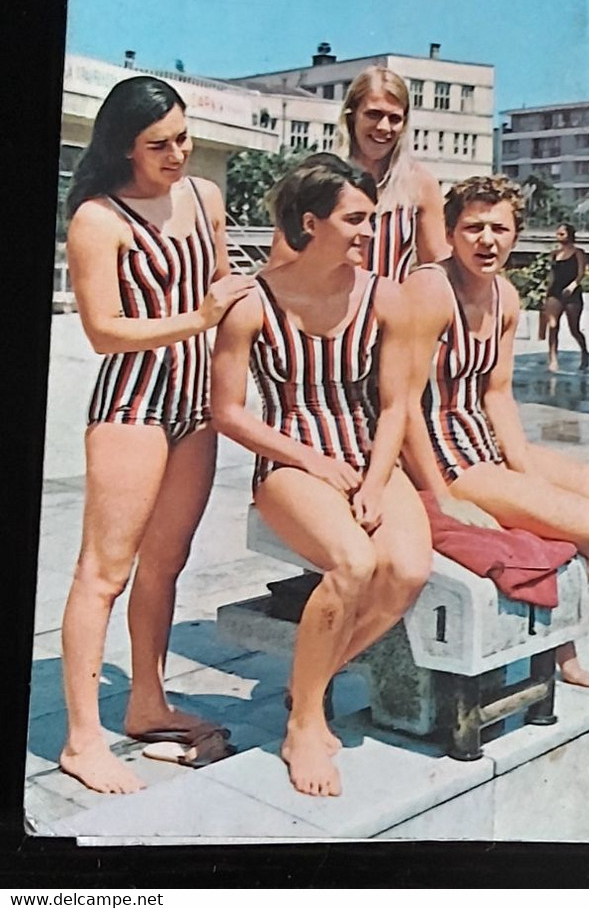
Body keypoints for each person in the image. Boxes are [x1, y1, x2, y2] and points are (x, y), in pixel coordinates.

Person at [211, 154, 431, 797]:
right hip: (289, 459)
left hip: (366, 455)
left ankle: (304, 685)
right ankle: (305, 723)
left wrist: (373, 480)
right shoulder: (253, 303)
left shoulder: (384, 295)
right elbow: (225, 411)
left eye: (372, 218)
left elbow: (396, 405)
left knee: (409, 573)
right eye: (356, 219)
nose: (369, 232)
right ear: (312, 222)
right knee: (354, 565)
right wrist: (312, 461)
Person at [60, 76, 251, 794]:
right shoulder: (97, 219)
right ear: (124, 147)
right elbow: (105, 331)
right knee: (103, 571)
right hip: (132, 406)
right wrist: (198, 320)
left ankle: (146, 698)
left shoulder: (204, 197)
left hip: (194, 405)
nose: (179, 152)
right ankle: (82, 738)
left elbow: (225, 282)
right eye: (160, 144)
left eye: (183, 136)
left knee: (166, 562)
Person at [402, 175, 589, 688]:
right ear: (449, 232)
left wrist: (527, 473)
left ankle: (548, 629)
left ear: (516, 234)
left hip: (481, 443)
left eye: (499, 228)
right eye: (472, 228)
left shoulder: (505, 296)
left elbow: (497, 395)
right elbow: (398, 404)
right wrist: (440, 495)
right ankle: (553, 640)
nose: (486, 240)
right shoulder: (429, 288)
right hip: (445, 459)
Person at [267, 65, 449, 280]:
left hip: (390, 309)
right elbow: (281, 264)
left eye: (394, 118)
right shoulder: (317, 177)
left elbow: (436, 268)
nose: (384, 127)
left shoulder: (419, 184)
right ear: (352, 116)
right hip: (325, 310)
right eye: (373, 114)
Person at [543, 222, 589, 372]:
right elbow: (551, 275)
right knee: (552, 325)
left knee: (573, 328)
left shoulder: (578, 252)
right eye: (557, 233)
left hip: (572, 293)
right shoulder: (554, 254)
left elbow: (581, 273)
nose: (558, 236)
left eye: (562, 233)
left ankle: (584, 352)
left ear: (570, 235)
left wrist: (572, 286)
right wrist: (545, 293)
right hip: (555, 292)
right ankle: (553, 358)